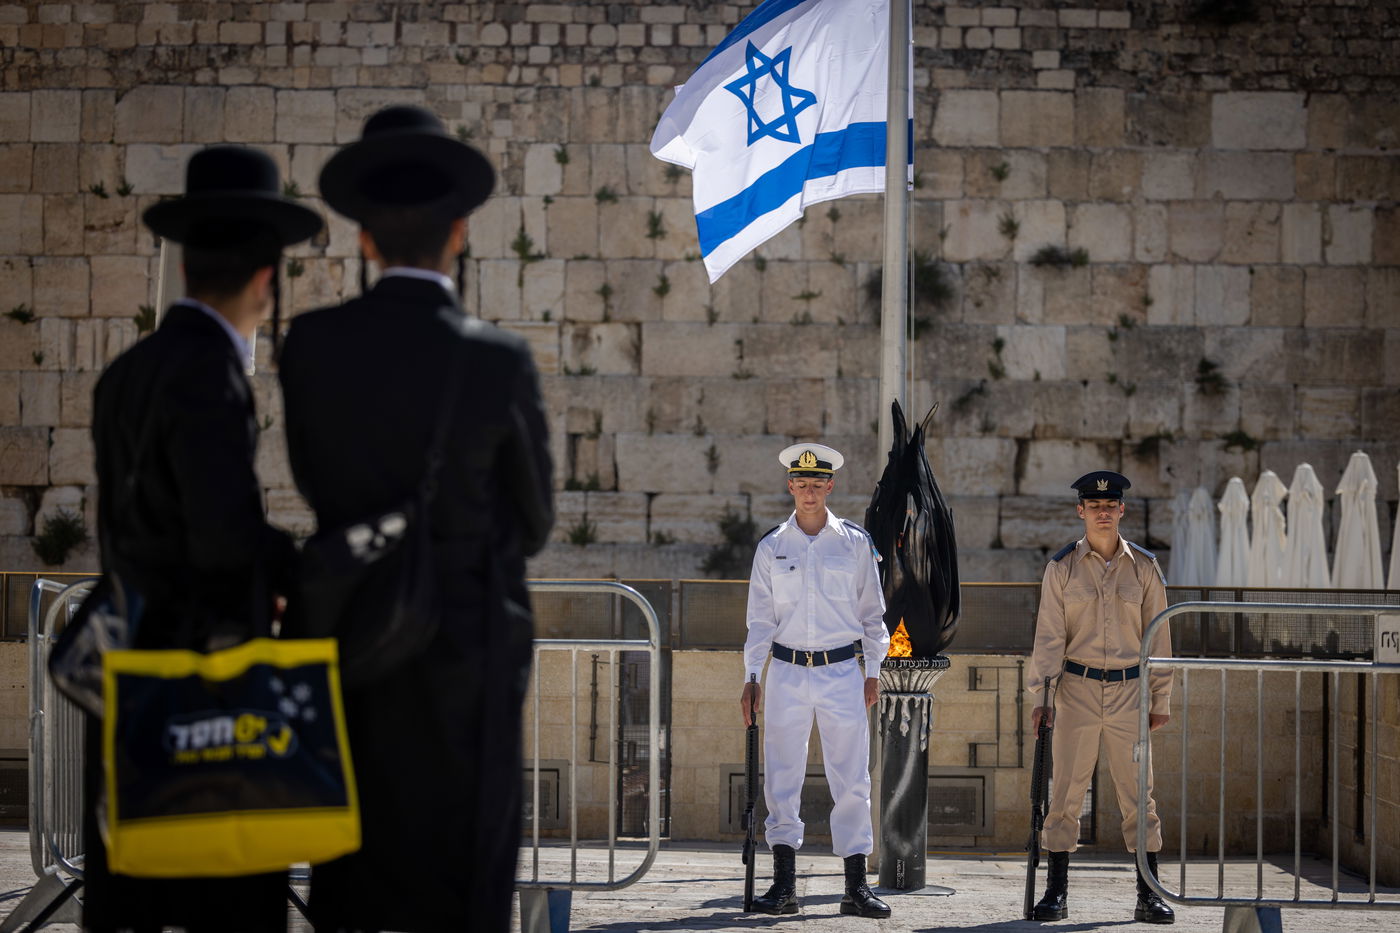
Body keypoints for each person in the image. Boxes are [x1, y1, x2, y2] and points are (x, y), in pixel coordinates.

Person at [278, 105, 553, 933]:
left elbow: (312, 479)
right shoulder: (496, 359)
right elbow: (534, 517)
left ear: (364, 237)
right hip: (469, 648)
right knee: (465, 873)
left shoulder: (311, 345)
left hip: (352, 642)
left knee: (353, 870)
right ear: (460, 232)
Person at [86, 145, 321, 932]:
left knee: (131, 903)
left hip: (128, 682)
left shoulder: (127, 372)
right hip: (203, 699)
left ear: (185, 266)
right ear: (265, 278)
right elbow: (222, 535)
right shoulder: (211, 375)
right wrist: (305, 566)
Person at [740, 443, 892, 919]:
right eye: (800, 484)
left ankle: (855, 886)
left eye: (817, 484)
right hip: (785, 672)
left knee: (852, 777)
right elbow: (760, 620)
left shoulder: (853, 542)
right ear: (790, 486)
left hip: (841, 671)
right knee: (782, 774)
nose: (809, 492)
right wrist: (751, 677)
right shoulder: (772, 546)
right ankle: (784, 884)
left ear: (831, 486)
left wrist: (872, 672)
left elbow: (873, 615)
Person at [1027, 470, 1175, 925]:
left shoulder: (1145, 567)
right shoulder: (1063, 567)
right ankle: (1056, 892)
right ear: (1081, 511)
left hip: (1131, 691)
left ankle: (1148, 893)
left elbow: (1160, 638)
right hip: (1076, 690)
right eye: (1094, 506)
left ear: (1121, 510)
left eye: (1110, 506)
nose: (1103, 512)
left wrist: (1160, 699)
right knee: (1066, 791)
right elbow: (1049, 636)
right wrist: (1041, 697)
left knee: (1138, 794)